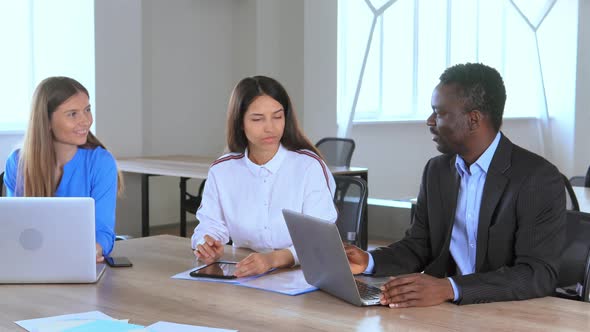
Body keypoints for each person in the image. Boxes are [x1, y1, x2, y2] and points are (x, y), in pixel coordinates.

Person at [346, 63, 565, 307]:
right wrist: (369, 261)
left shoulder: (536, 178)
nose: (429, 121)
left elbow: (537, 273)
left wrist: (450, 288)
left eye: (439, 113)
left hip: (506, 312)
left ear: (473, 119)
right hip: (445, 312)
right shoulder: (437, 171)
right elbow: (420, 246)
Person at [191, 75, 337, 277]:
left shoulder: (308, 167)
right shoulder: (222, 171)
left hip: (302, 275)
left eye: (277, 117)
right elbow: (210, 224)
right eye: (258, 119)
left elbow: (320, 240)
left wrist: (273, 259)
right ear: (240, 122)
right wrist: (206, 244)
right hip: (246, 273)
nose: (270, 127)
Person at [4, 76, 123, 263]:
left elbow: (103, 231)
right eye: (72, 114)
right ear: (47, 121)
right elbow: (14, 228)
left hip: (79, 262)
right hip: (32, 262)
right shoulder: (17, 163)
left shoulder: (101, 163)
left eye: (87, 110)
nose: (86, 121)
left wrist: (95, 249)